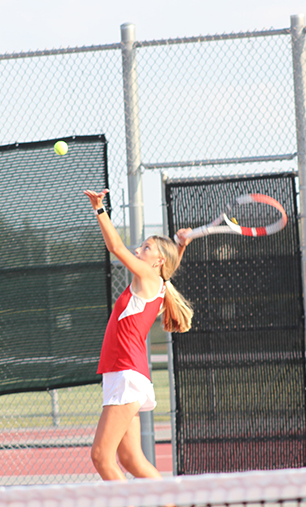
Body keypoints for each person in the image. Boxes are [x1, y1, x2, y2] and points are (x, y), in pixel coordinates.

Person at [84, 188, 194, 481]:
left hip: (126, 374)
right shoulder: (159, 282)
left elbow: (116, 247)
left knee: (101, 457)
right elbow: (168, 268)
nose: (138, 251)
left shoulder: (149, 277)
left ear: (157, 261)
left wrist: (99, 209)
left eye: (145, 248)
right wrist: (181, 245)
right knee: (131, 459)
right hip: (124, 373)